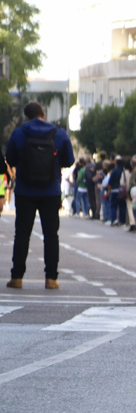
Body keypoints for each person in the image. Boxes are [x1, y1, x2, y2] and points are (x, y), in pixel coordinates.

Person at [4, 102, 76, 290]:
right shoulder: (58, 133)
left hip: (25, 191)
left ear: (27, 117)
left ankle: (17, 277)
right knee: (51, 235)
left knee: (22, 234)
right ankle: (51, 278)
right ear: (43, 114)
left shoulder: (20, 133)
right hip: (51, 191)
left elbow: (10, 159)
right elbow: (69, 161)